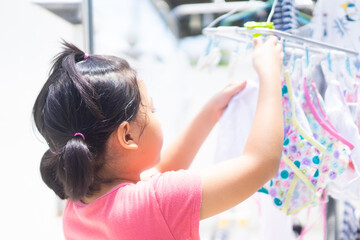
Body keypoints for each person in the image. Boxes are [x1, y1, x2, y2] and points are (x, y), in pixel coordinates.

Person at [32, 36, 284, 239]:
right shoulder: (157, 203)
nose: (155, 115)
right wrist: (271, 75)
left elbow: (159, 173)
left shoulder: (78, 207)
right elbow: (259, 163)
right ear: (127, 135)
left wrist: (209, 113)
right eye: (152, 110)